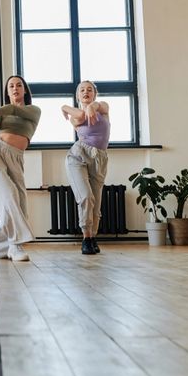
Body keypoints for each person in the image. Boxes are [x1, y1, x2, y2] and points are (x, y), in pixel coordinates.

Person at [0, 75, 41, 261]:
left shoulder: (33, 111)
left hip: (16, 158)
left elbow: (12, 109)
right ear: (7, 91)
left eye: (19, 85)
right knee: (8, 194)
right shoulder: (3, 114)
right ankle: (15, 246)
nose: (15, 88)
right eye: (11, 86)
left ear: (25, 90)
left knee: (20, 205)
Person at [61, 81, 110, 255]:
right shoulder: (75, 116)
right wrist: (65, 106)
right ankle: (86, 237)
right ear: (78, 96)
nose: (86, 92)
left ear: (95, 94)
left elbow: (101, 105)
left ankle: (92, 237)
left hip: (100, 158)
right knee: (86, 197)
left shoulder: (103, 107)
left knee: (96, 202)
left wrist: (93, 106)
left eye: (90, 89)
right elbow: (82, 115)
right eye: (82, 90)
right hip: (78, 156)